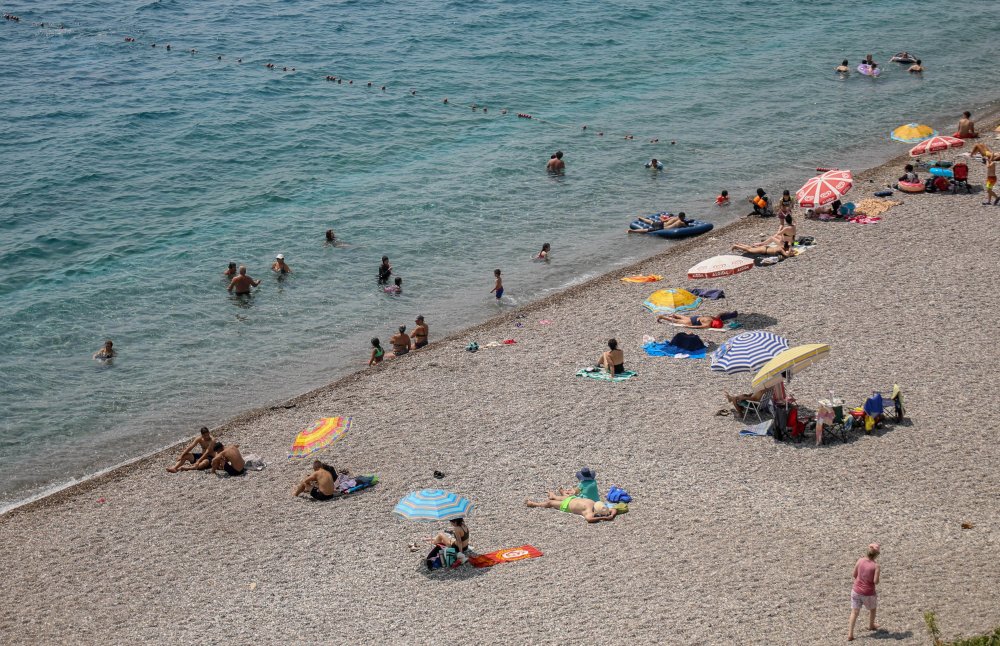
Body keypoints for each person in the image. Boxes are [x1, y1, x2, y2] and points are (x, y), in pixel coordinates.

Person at [848, 543, 882, 641]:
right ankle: (871, 625)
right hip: (868, 593)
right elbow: (875, 581)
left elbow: (854, 574)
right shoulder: (876, 566)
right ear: (877, 555)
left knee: (854, 612)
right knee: (873, 609)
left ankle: (850, 633)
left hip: (856, 591)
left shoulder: (860, 560)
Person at [525, 492, 618, 523]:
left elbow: (589, 519)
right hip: (573, 499)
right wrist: (611, 516)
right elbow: (614, 509)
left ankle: (534, 504)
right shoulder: (600, 507)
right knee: (564, 497)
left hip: (567, 506)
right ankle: (553, 495)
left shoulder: (589, 511)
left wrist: (605, 518)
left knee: (550, 503)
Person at [657, 311, 736, 329]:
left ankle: (674, 315)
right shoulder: (708, 324)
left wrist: (727, 312)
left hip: (696, 317)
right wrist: (689, 327)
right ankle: (663, 317)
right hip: (692, 322)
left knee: (683, 317)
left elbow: (720, 314)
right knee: (677, 321)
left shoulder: (713, 318)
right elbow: (698, 327)